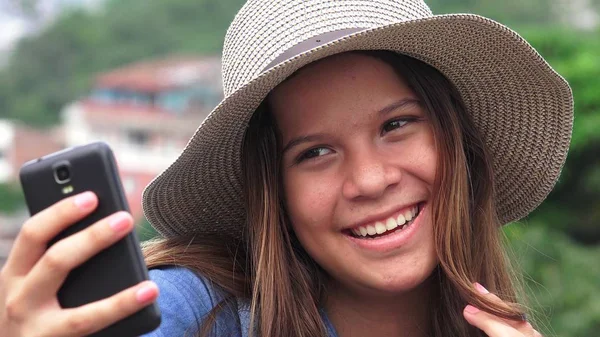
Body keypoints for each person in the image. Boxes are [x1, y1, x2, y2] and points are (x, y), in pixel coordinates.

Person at [0, 0, 573, 336]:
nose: (371, 180)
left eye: (396, 125)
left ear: (458, 143)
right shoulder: (203, 312)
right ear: (273, 190)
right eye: (314, 153)